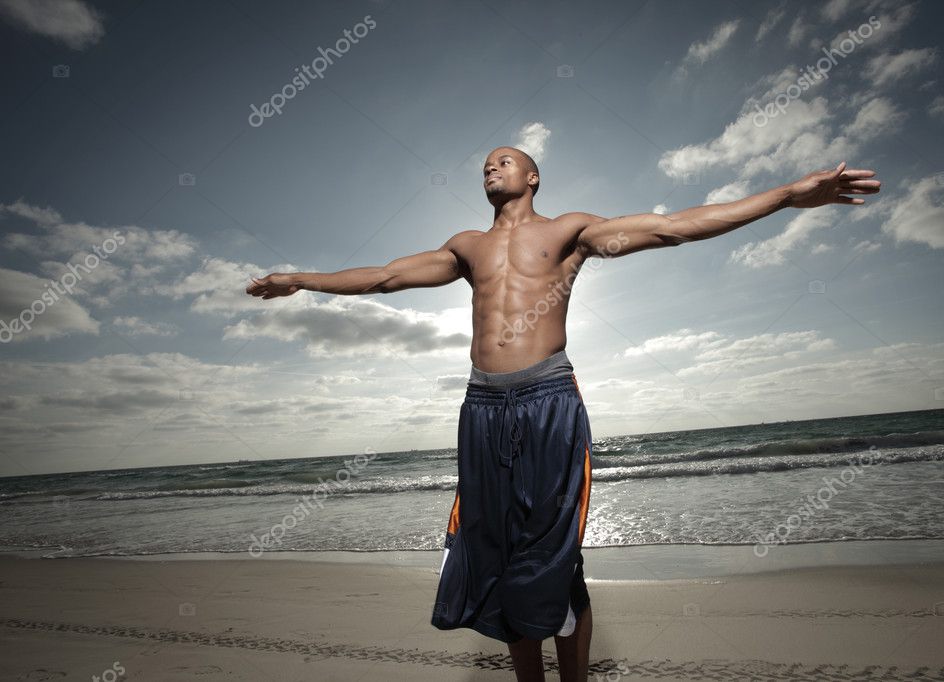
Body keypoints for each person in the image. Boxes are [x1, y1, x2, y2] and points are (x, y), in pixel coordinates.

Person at [245, 146, 881, 681]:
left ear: (533, 177)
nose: (492, 167)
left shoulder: (569, 231)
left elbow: (671, 226)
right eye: (486, 164)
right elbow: (386, 276)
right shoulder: (465, 246)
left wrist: (788, 195)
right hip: (483, 407)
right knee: (495, 552)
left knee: (551, 554)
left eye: (506, 161)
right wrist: (302, 279)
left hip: (548, 400)